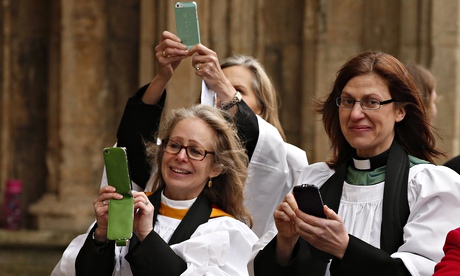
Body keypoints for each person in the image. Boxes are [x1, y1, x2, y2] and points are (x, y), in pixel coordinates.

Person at [249, 51, 460, 276]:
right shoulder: (315, 180)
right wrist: (285, 241)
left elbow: (424, 272)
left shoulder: (428, 185)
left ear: (400, 111)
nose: (356, 114)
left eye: (372, 102)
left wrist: (345, 248)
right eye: (348, 101)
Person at [113, 30, 307, 237]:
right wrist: (162, 76)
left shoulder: (287, 158)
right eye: (212, 91)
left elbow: (265, 148)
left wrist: (223, 85)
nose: (220, 101)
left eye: (238, 91)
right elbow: (133, 146)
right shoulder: (176, 153)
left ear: (260, 108)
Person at [63, 104, 259, 275]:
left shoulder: (224, 232)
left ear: (216, 168)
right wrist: (102, 234)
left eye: (195, 151)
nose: (181, 156)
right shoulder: (129, 208)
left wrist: (147, 235)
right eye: (174, 145)